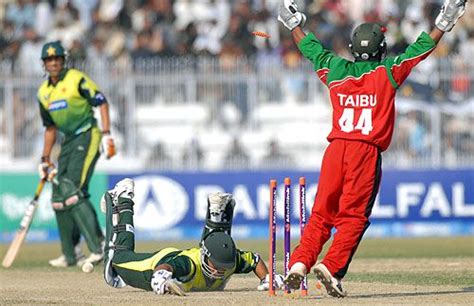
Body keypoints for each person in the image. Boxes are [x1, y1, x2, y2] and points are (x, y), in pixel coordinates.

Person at [277, 0, 467, 298]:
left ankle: (300, 262)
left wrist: (293, 25)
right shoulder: (387, 73)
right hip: (364, 152)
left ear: (353, 48)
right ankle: (332, 267)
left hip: (336, 148)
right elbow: (418, 51)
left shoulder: (336, 70)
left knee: (321, 214)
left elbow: (311, 49)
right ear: (380, 48)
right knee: (353, 216)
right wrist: (444, 22)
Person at [100, 178, 284, 295]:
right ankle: (123, 197)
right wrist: (160, 276)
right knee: (117, 259)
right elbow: (167, 266)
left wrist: (267, 279)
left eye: (223, 267)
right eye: (216, 266)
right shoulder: (189, 264)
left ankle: (216, 214)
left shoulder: (230, 259)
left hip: (189, 255)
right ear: (206, 258)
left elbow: (254, 259)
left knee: (215, 249)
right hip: (156, 264)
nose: (220, 272)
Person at [37, 40, 116, 267]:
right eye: (49, 59)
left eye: (57, 58)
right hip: (68, 140)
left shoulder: (76, 79)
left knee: (73, 190)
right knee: (59, 192)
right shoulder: (43, 93)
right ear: (44, 63)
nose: (53, 63)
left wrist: (107, 133)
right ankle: (70, 254)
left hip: (88, 134)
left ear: (63, 60)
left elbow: (101, 102)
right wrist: (44, 159)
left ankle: (99, 246)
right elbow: (50, 128)